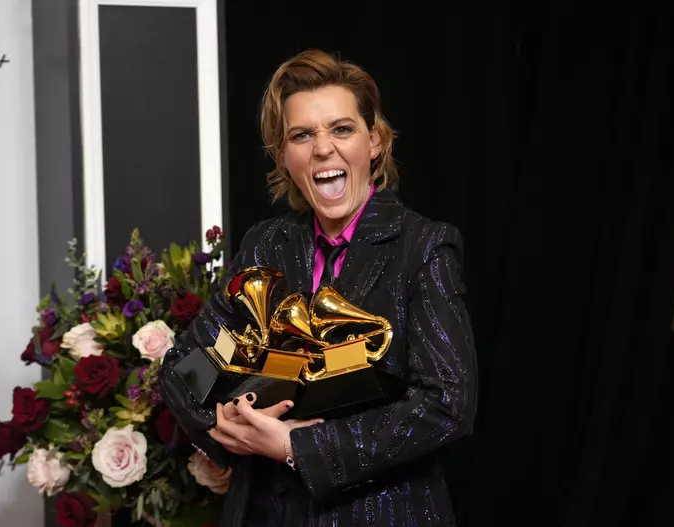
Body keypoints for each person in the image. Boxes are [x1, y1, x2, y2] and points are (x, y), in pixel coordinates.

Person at [159, 49, 477, 526]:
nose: (323, 148)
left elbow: (446, 405)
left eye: (341, 129)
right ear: (284, 157)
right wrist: (222, 422)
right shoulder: (264, 244)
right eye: (302, 135)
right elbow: (189, 362)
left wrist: (296, 447)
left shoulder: (422, 247)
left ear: (374, 141)